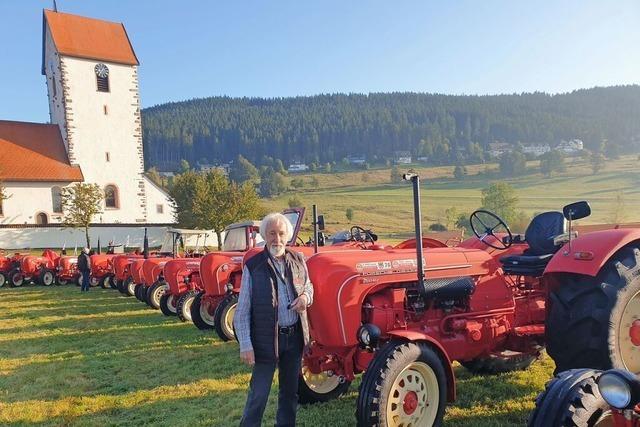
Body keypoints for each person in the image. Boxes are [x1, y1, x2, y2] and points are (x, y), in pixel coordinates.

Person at [234, 212, 314, 427]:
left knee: (289, 394)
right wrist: (245, 345)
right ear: (264, 235)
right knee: (258, 395)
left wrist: (305, 298)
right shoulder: (253, 266)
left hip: (293, 338)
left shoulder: (298, 260)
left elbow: (308, 286)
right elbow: (242, 310)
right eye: (271, 233)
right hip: (265, 341)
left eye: (280, 233)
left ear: (287, 236)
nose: (276, 239)